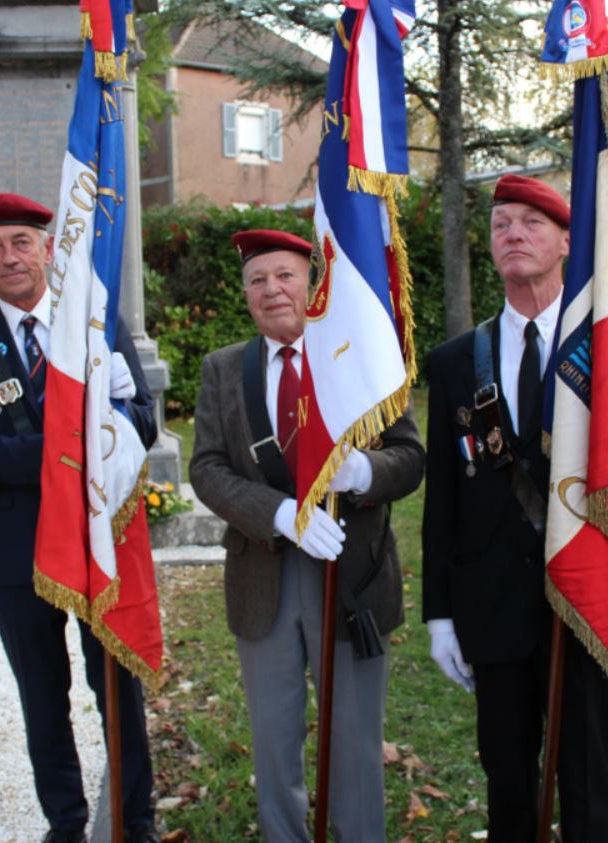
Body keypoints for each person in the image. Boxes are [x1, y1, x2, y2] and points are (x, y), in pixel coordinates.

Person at [0, 192, 160, 843]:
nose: (10, 256)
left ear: (47, 248)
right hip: (17, 547)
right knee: (42, 697)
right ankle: (65, 822)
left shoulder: (92, 322)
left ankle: (131, 819)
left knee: (116, 687)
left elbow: (141, 420)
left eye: (22, 241)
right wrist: (76, 441)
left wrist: (107, 427)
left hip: (96, 540)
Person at [188, 229, 424, 842]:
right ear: (245, 295)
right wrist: (277, 511)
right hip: (262, 572)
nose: (272, 290)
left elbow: (410, 456)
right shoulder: (222, 369)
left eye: (285, 275)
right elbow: (207, 467)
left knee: (354, 736)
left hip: (352, 577)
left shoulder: (361, 355)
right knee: (272, 735)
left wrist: (364, 470)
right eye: (257, 280)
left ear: (313, 283)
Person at [422, 174, 608, 842]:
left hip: (589, 599)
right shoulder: (457, 361)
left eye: (531, 223)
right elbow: (443, 498)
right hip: (492, 602)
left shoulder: (606, 349)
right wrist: (438, 612)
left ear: (569, 241)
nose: (512, 233)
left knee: (589, 779)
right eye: (500, 223)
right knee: (508, 780)